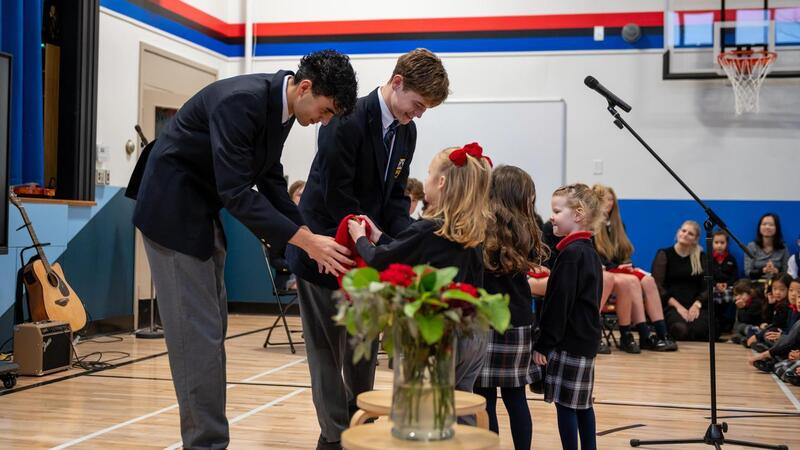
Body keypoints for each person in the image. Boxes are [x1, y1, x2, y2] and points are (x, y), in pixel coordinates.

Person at [127, 50, 358, 449]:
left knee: (212, 331)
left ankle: (209, 440)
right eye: (324, 111)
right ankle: (206, 444)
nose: (323, 121)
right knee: (196, 338)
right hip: (171, 212)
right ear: (305, 88)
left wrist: (307, 235)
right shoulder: (243, 101)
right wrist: (304, 240)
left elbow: (268, 178)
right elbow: (236, 192)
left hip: (201, 213)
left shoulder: (282, 108)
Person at [286, 48, 449, 450]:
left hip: (364, 251)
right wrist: (365, 239)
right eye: (418, 103)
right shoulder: (346, 118)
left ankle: (361, 422)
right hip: (324, 247)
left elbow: (394, 198)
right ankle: (334, 436)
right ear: (397, 84)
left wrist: (406, 240)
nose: (420, 113)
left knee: (363, 348)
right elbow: (337, 196)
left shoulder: (407, 131)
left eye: (427, 108)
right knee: (326, 352)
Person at [348, 144, 492, 400]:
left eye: (428, 173)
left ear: (441, 182)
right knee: (461, 405)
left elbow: (379, 261)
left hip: (437, 332)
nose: (425, 179)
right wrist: (379, 236)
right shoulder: (469, 231)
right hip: (474, 334)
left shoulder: (428, 229)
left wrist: (360, 239)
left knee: (426, 407)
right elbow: (406, 250)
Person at [473, 166, 548, 450]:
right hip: (518, 322)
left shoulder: (480, 226)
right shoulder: (528, 228)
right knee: (517, 399)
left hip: (486, 319)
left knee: (485, 399)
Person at [533, 183, 603, 450]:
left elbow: (558, 304)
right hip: (584, 341)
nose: (552, 216)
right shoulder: (588, 252)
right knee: (583, 404)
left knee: (566, 406)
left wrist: (544, 343)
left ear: (578, 214)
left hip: (568, 343)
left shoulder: (571, 255)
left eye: (557, 210)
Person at [592, 184, 675, 352]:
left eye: (611, 199)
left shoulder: (617, 223)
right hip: (606, 271)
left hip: (618, 268)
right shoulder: (592, 225)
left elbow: (624, 251)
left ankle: (661, 333)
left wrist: (626, 263)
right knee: (631, 281)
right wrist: (617, 266)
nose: (608, 203)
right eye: (604, 199)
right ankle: (641, 333)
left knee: (649, 280)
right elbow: (596, 255)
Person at [652, 220, 719, 341]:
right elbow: (657, 285)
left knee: (702, 329)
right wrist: (678, 307)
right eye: (683, 230)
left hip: (695, 303)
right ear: (678, 232)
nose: (685, 234)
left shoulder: (701, 257)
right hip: (672, 304)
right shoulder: (664, 254)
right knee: (680, 329)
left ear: (695, 239)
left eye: (690, 233)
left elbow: (707, 285)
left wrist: (696, 305)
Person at [744, 213, 789, 281]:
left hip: (777, 285)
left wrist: (776, 272)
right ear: (759, 227)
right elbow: (748, 272)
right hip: (756, 284)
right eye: (764, 224)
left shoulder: (783, 247)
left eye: (771, 225)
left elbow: (787, 272)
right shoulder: (751, 246)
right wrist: (762, 271)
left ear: (777, 228)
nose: (767, 227)